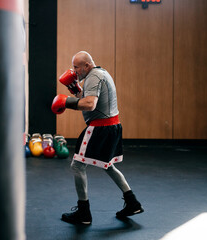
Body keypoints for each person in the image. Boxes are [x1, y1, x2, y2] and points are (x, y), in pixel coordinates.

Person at [51, 51, 144, 225]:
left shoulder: (93, 77)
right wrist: (75, 89)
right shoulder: (101, 73)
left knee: (77, 166)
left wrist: (66, 101)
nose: (74, 71)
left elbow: (90, 104)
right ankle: (132, 202)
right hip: (112, 126)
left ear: (87, 65)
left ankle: (83, 213)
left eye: (76, 67)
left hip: (100, 128)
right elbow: (87, 99)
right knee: (108, 165)